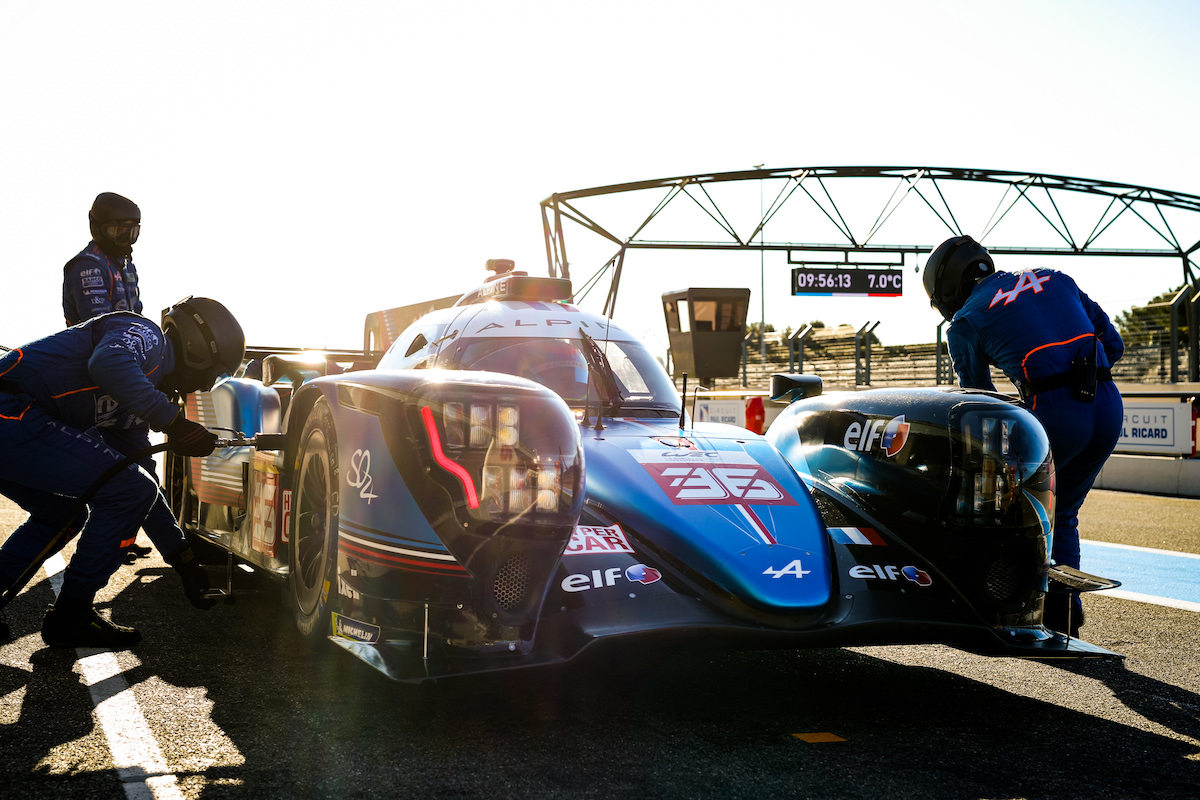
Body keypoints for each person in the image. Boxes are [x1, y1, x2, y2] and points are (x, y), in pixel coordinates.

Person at [0, 297, 245, 648]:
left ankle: (67, 610)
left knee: (64, 514)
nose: (205, 387)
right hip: (11, 412)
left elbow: (142, 481)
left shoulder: (134, 401)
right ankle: (72, 613)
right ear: (197, 351)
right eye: (214, 373)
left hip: (14, 420)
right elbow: (109, 362)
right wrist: (174, 424)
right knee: (127, 491)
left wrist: (183, 559)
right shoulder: (146, 336)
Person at [923, 235, 1124, 636]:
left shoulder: (964, 321)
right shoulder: (1055, 277)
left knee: (1012, 510)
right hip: (1107, 404)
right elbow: (1113, 345)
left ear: (947, 288)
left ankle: (1011, 604)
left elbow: (981, 403)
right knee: (1064, 512)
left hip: (1052, 413)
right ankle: (1065, 614)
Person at [63, 192, 143, 328]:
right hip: (94, 347)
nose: (124, 239)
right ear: (98, 228)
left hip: (126, 344)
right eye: (118, 231)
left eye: (130, 232)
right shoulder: (87, 265)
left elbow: (137, 316)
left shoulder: (127, 266)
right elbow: (100, 325)